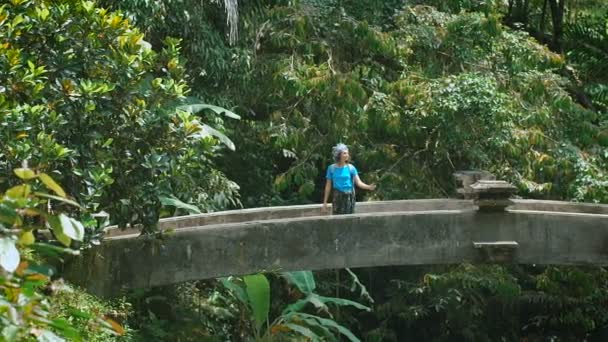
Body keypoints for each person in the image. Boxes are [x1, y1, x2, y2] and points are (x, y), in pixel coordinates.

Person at [322, 143, 376, 214]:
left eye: (347, 153)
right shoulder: (331, 168)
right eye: (344, 153)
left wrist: (368, 187)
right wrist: (325, 202)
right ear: (339, 155)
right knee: (337, 218)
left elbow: (358, 182)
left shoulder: (351, 168)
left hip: (349, 196)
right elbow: (328, 186)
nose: (347, 155)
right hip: (337, 196)